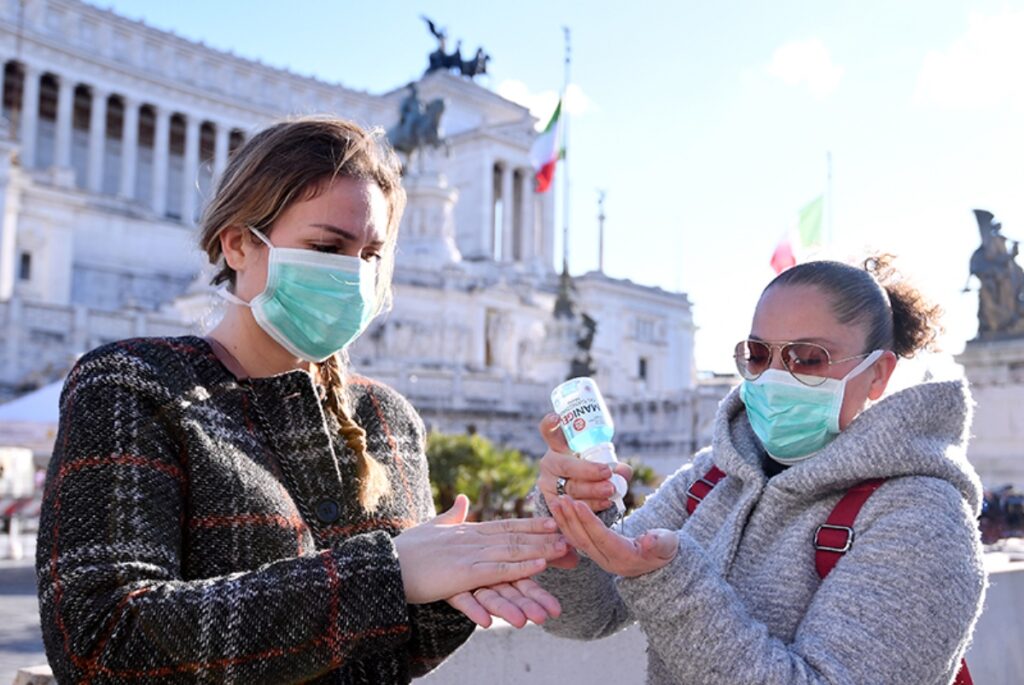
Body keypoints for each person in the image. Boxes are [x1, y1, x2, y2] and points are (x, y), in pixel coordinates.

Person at [36, 116, 566, 684]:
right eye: (326, 247)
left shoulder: (387, 418)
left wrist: (494, 564)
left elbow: (395, 652)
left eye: (370, 254)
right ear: (238, 243)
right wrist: (390, 574)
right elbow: (100, 643)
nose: (352, 275)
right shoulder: (134, 385)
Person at [533, 255, 986, 684]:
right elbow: (588, 614)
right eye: (758, 355)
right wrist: (572, 516)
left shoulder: (923, 517)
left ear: (878, 373)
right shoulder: (713, 476)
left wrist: (666, 578)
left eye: (808, 358)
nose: (774, 378)